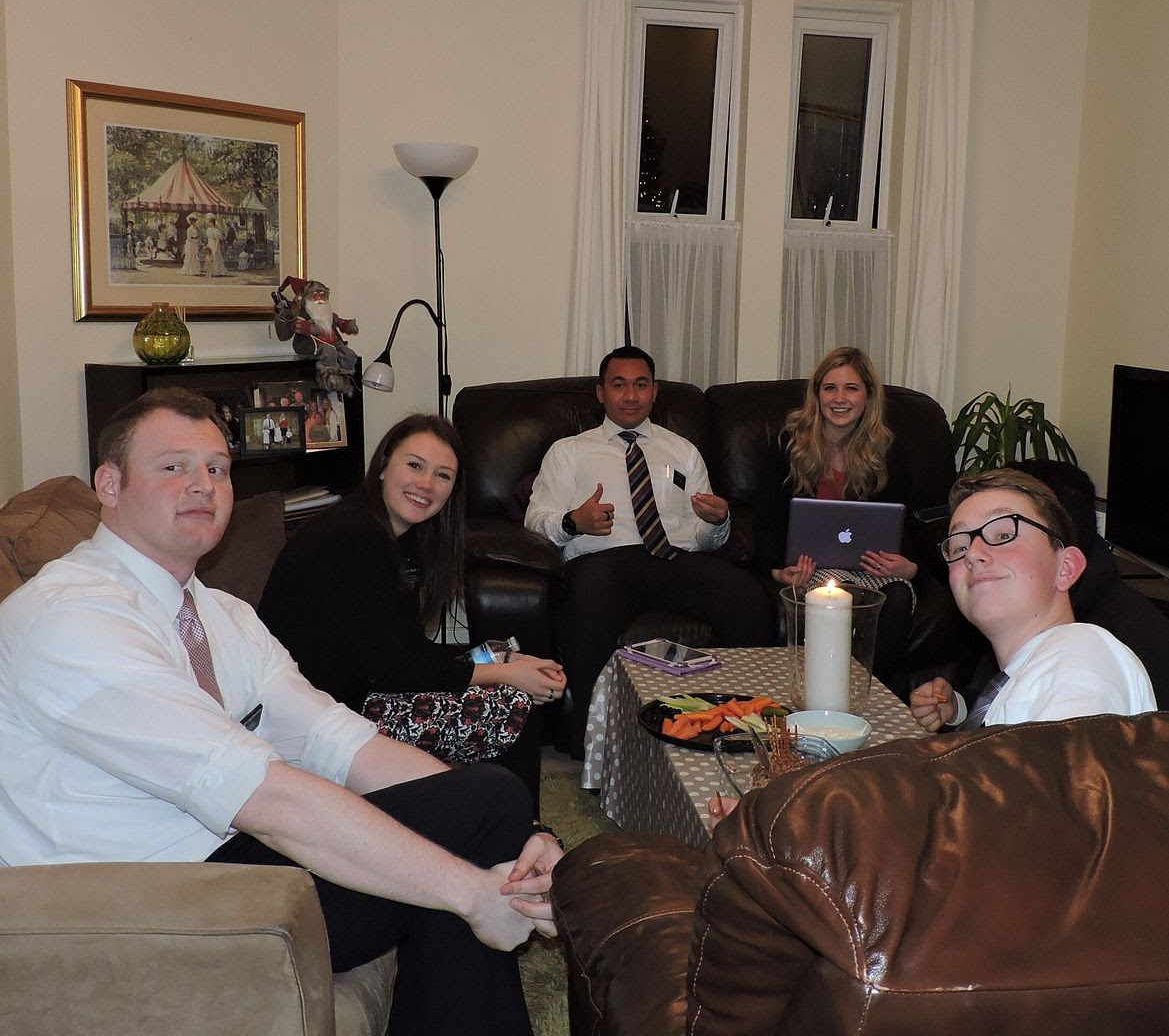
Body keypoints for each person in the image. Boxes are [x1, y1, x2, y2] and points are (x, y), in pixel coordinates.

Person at [0, 389, 560, 1036]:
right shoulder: (72, 618)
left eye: (217, 468)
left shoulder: (223, 614)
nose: (203, 485)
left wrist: (527, 837)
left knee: (486, 804)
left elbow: (339, 742)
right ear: (110, 484)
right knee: (479, 824)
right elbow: (262, 796)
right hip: (138, 897)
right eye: (173, 466)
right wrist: (474, 893)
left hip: (222, 856)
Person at [259, 414, 564, 809]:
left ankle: (493, 816)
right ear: (383, 466)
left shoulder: (396, 538)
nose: (426, 484)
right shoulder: (354, 535)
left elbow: (407, 649)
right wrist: (506, 674)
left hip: (356, 692)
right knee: (512, 705)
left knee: (498, 666)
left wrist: (506, 660)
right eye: (415, 465)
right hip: (323, 714)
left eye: (443, 475)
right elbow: (389, 669)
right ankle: (518, 829)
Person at [525, 346, 774, 758]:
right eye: (618, 385)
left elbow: (704, 539)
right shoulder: (569, 451)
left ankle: (737, 729)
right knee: (588, 601)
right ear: (601, 392)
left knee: (748, 596)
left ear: (655, 392)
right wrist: (573, 522)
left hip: (676, 559)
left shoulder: (683, 451)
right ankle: (593, 748)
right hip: (604, 561)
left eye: (641, 385)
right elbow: (535, 522)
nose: (630, 395)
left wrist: (718, 522)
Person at [910, 468, 1156, 732]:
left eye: (1003, 535)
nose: (972, 554)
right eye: (959, 547)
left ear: (1066, 568)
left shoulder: (1079, 659)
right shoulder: (1034, 670)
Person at [753, 346, 927, 699]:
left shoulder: (887, 450)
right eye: (830, 388)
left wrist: (909, 567)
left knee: (894, 597)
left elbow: (909, 523)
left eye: (851, 388)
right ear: (816, 395)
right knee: (834, 598)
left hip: (873, 568)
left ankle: (876, 698)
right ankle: (826, 697)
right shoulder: (790, 447)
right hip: (813, 569)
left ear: (868, 396)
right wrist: (779, 571)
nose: (840, 399)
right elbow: (766, 523)